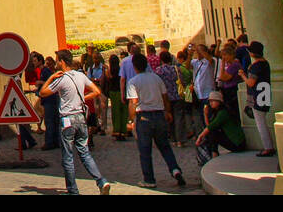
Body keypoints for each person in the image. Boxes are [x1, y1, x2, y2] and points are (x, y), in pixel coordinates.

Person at [40, 50, 111, 195]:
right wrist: (83, 98)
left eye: (57, 61)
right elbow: (97, 91)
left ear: (62, 62)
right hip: (80, 118)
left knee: (68, 157)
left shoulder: (62, 78)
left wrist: (51, 77)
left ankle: (73, 190)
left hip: (67, 119)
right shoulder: (80, 75)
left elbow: (43, 92)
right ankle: (101, 181)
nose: (56, 64)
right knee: (84, 153)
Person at [125, 53, 186, 188]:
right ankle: (175, 169)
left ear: (134, 66)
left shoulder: (133, 82)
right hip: (159, 115)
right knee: (165, 146)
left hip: (144, 117)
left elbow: (133, 103)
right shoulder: (156, 78)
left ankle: (149, 179)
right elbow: (165, 97)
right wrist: (168, 112)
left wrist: (131, 120)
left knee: (145, 150)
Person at [194, 90, 247, 165]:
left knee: (213, 132)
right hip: (236, 143)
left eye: (213, 101)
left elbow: (210, 127)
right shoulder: (218, 112)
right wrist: (205, 114)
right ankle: (213, 153)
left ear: (219, 101)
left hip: (238, 144)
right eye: (210, 101)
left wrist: (200, 136)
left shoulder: (223, 113)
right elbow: (210, 126)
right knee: (212, 132)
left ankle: (214, 154)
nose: (211, 103)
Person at [243, 40, 275, 156]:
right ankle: (269, 146)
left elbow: (251, 82)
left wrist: (243, 75)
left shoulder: (256, 66)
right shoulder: (265, 63)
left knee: (260, 123)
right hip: (265, 93)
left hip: (258, 95)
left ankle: (268, 147)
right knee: (262, 121)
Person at [154, 50, 182, 144]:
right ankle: (180, 139)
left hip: (165, 97)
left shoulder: (158, 70)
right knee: (178, 118)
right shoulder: (176, 69)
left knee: (168, 118)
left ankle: (172, 138)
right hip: (177, 95)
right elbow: (181, 80)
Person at [173, 49, 196, 145]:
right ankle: (192, 131)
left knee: (185, 112)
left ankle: (188, 130)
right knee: (191, 111)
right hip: (190, 89)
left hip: (183, 91)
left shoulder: (180, 68)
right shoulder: (190, 67)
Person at [217, 44, 243, 126]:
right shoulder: (232, 65)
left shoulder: (234, 65)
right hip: (229, 89)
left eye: (225, 55)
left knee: (233, 111)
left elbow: (223, 77)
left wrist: (222, 65)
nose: (223, 58)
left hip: (232, 90)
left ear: (231, 55)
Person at [106, 53, 127, 140]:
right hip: (121, 90)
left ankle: (117, 130)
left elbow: (109, 78)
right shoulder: (120, 69)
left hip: (113, 92)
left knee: (115, 112)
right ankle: (123, 130)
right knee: (123, 112)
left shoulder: (110, 71)